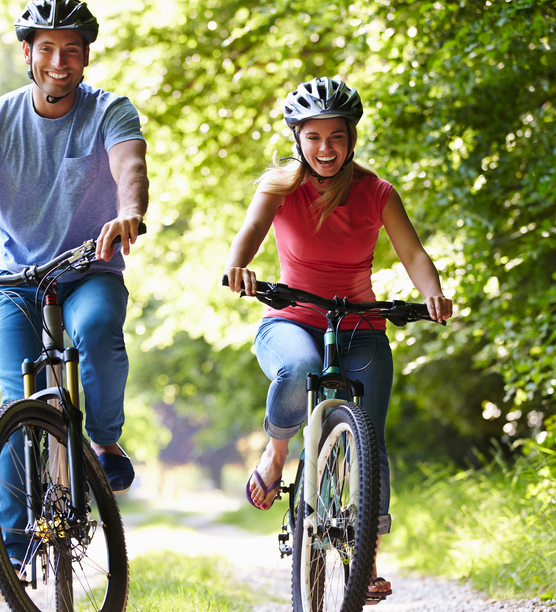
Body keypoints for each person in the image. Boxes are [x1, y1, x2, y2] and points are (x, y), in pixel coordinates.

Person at [0, 0, 148, 599]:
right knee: (15, 408)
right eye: (46, 47)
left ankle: (101, 439)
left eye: (71, 49)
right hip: (14, 281)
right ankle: (14, 554)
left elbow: (131, 166)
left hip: (88, 268)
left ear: (86, 56)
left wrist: (129, 213)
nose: (59, 61)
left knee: (97, 329)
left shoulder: (109, 110)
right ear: (27, 53)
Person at [223, 76, 452, 604]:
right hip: (292, 319)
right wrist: (239, 265)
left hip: (361, 326)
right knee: (298, 368)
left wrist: (432, 293)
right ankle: (278, 452)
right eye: (314, 137)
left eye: (336, 137)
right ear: (297, 138)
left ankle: (366, 560)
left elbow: (413, 254)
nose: (325, 149)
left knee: (370, 435)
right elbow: (251, 233)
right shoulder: (279, 187)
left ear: (351, 138)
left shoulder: (376, 191)